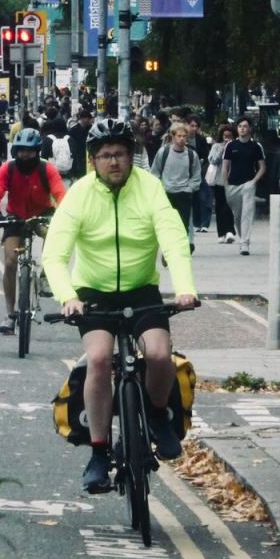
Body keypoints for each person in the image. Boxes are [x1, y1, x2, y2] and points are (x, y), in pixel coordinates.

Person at [42, 119, 197, 491]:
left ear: (131, 157)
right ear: (93, 160)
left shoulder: (150, 188)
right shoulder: (79, 194)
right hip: (93, 293)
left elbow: (173, 239)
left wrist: (184, 289)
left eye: (121, 154)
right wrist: (68, 297)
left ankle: (156, 415)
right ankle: (99, 453)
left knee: (158, 354)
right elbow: (54, 254)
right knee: (98, 359)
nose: (114, 161)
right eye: (105, 155)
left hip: (141, 290)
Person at [0, 128, 67, 335]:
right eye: (22, 150)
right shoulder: (8, 168)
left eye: (30, 151)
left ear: (37, 152)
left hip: (42, 215)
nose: (25, 155)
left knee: (53, 234)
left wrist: (64, 213)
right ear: (16, 151)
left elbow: (60, 193)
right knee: (10, 262)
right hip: (16, 217)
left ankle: (46, 275)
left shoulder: (47, 169)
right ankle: (10, 314)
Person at [151, 122, 201, 252]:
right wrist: (159, 189)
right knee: (167, 224)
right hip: (166, 193)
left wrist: (190, 188)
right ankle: (168, 249)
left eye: (184, 136)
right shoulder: (164, 152)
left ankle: (181, 248)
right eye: (179, 136)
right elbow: (155, 172)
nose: (182, 139)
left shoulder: (191, 155)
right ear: (173, 137)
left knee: (183, 225)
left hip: (184, 193)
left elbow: (196, 175)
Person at [221, 117, 265, 255]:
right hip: (232, 186)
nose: (242, 129)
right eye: (240, 126)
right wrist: (226, 186)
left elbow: (262, 167)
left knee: (247, 213)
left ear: (250, 128)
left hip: (248, 185)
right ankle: (242, 239)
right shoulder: (230, 145)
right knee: (238, 216)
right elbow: (225, 167)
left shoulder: (256, 146)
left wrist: (253, 181)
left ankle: (245, 243)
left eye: (245, 126)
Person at [207, 124, 238, 244]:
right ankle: (221, 233)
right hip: (219, 180)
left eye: (229, 136)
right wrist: (222, 149)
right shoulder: (216, 146)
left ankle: (230, 231)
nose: (227, 138)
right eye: (225, 136)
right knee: (220, 207)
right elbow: (212, 160)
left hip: (232, 180)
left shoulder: (236, 146)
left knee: (229, 205)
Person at [186, 114, 212, 232]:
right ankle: (196, 223)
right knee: (194, 198)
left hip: (199, 171)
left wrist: (202, 162)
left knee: (204, 196)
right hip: (185, 172)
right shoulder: (182, 138)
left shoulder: (200, 139)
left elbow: (205, 155)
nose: (194, 128)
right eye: (192, 125)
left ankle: (205, 223)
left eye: (196, 126)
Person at [67, 108, 93, 181]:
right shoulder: (73, 130)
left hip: (88, 154)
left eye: (89, 118)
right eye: (86, 118)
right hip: (77, 156)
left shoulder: (91, 129)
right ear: (81, 118)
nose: (87, 120)